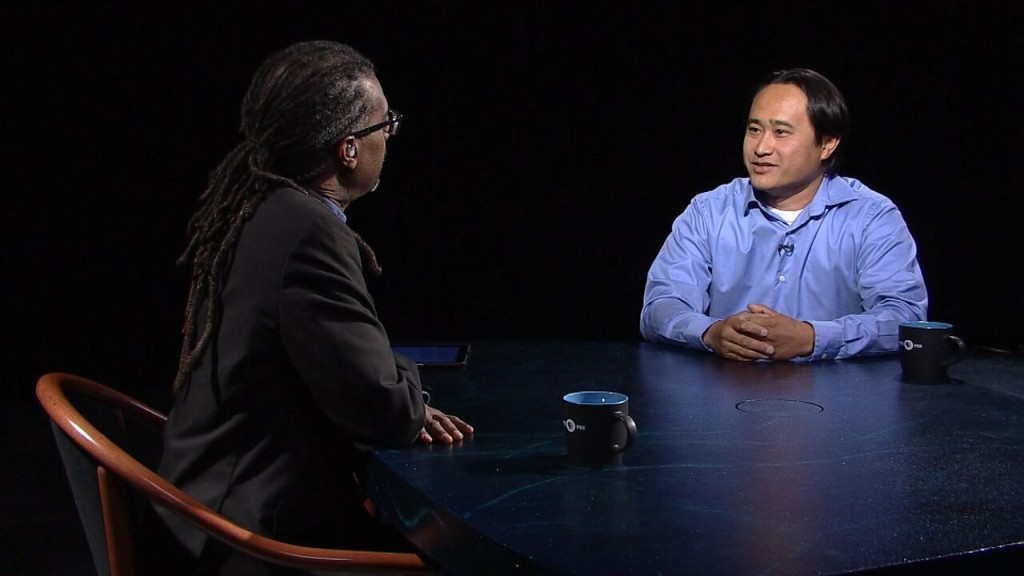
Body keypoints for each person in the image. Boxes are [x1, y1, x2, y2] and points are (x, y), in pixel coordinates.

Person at [152, 40, 473, 574]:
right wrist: (402, 377)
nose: (390, 136)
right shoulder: (308, 233)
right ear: (348, 149)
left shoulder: (255, 207)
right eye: (384, 124)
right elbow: (385, 410)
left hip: (197, 508)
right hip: (253, 536)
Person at [640, 68, 927, 362]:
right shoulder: (709, 211)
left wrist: (812, 338)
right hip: (723, 395)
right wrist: (711, 332)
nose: (761, 148)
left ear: (827, 143)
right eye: (754, 130)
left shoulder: (871, 217)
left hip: (837, 400)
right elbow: (661, 307)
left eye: (780, 132)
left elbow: (904, 317)